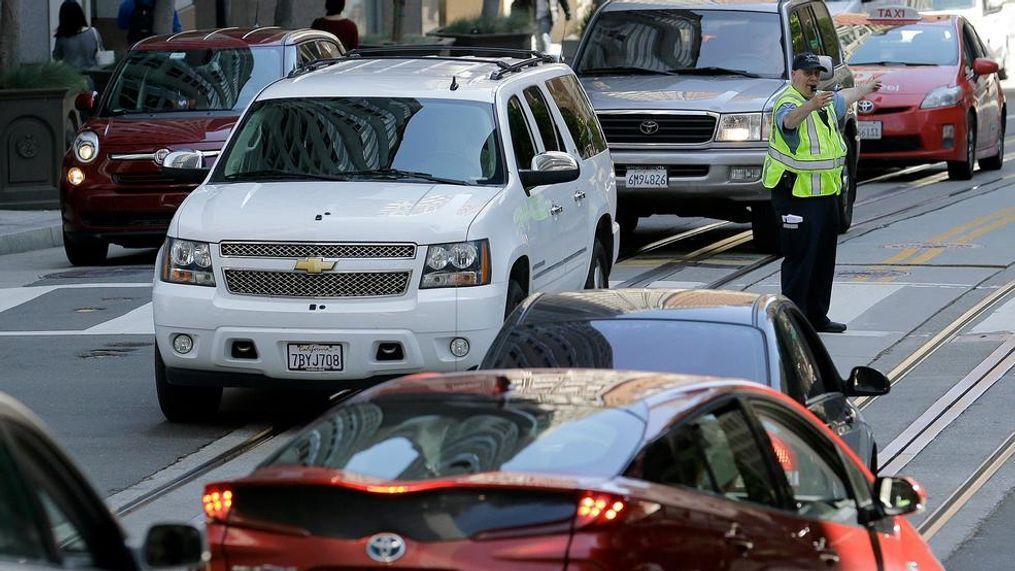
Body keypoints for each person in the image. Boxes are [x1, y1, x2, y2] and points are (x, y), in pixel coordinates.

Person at [761, 52, 881, 333]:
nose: (813, 78)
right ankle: (794, 324)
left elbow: (844, 97)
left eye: (817, 73)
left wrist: (866, 87)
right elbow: (788, 121)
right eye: (807, 73)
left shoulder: (824, 102)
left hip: (825, 195)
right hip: (795, 195)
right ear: (794, 75)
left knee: (822, 259)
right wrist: (811, 105)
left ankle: (817, 317)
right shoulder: (788, 101)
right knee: (800, 260)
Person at [53, 1, 101, 71]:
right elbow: (101, 51)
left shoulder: (62, 37)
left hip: (72, 77)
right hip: (92, 75)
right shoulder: (93, 32)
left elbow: (57, 56)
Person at [118, 0, 182, 45]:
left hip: (136, 45)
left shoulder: (128, 4)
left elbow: (122, 25)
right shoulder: (164, 6)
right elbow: (176, 28)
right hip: (158, 44)